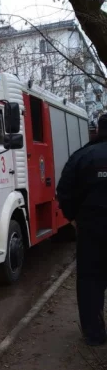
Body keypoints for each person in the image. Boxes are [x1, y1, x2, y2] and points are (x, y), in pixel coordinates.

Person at [57, 113, 107, 346]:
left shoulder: (82, 156)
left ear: (97, 130)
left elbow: (64, 191)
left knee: (90, 281)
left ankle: (95, 334)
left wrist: (74, 218)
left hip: (92, 230)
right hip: (91, 226)